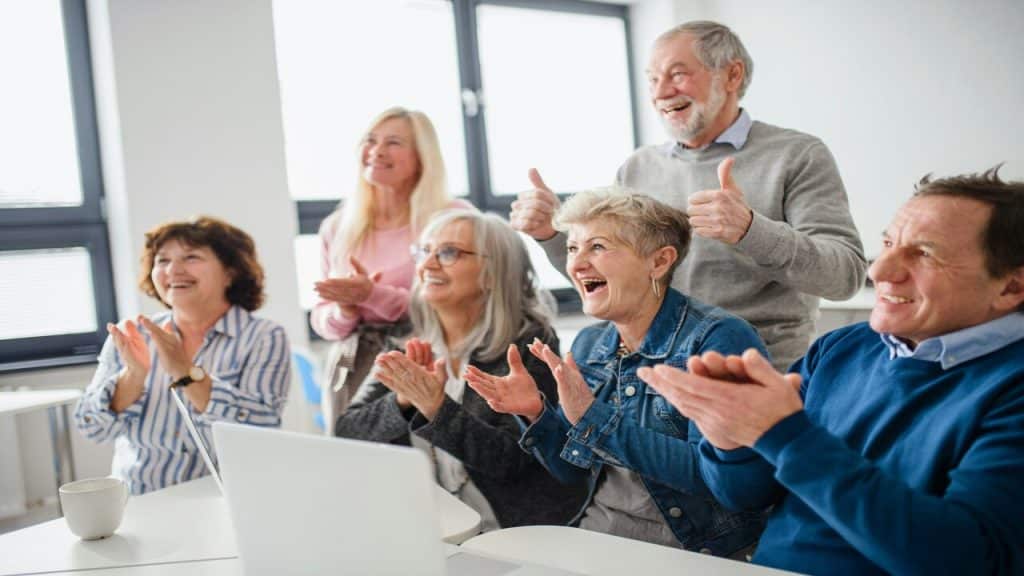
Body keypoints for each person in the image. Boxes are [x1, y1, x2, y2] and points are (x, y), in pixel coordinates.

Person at [639, 167, 1024, 574]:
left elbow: (966, 561)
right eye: (889, 243)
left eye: (925, 253)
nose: (878, 271)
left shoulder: (1011, 389)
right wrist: (731, 438)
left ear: (1011, 288)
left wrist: (785, 436)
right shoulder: (844, 347)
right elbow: (743, 495)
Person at [512, 21, 866, 370]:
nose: (661, 92)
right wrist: (550, 235)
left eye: (677, 74)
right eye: (653, 78)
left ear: (732, 76)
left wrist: (750, 230)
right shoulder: (637, 167)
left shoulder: (798, 155)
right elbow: (610, 276)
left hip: (758, 372)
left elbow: (844, 277)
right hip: (655, 372)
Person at [466, 188, 768, 556]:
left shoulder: (718, 340)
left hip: (691, 550)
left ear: (659, 262)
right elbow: (573, 473)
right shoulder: (590, 343)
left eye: (597, 247)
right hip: (597, 536)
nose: (576, 264)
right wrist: (535, 412)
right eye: (574, 248)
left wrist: (594, 419)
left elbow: (719, 479)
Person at [334, 209, 585, 530]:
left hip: (516, 535)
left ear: (493, 272)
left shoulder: (528, 346)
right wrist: (401, 401)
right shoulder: (405, 340)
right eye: (424, 251)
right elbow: (347, 430)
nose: (428, 264)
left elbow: (514, 462)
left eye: (448, 252)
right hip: (430, 528)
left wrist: (437, 408)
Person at [75, 217, 291, 494]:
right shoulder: (132, 335)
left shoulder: (264, 336)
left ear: (230, 272)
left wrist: (186, 374)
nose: (173, 270)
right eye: (162, 261)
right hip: (139, 497)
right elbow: (92, 428)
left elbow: (262, 431)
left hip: (224, 497)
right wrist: (133, 376)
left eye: (191, 257)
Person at [311, 107, 471, 425]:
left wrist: (372, 294)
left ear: (421, 157)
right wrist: (345, 310)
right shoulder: (337, 226)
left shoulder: (452, 218)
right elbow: (322, 319)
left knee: (428, 465)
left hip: (428, 362)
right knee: (358, 462)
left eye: (393, 142)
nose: (377, 151)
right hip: (352, 369)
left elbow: (460, 304)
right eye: (370, 140)